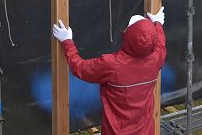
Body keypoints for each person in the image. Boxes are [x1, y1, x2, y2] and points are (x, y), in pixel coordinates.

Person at [52, 7, 167, 135]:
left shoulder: (112, 65)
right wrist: (157, 24)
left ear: (127, 36)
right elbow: (160, 43)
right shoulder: (157, 58)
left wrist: (67, 41)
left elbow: (79, 67)